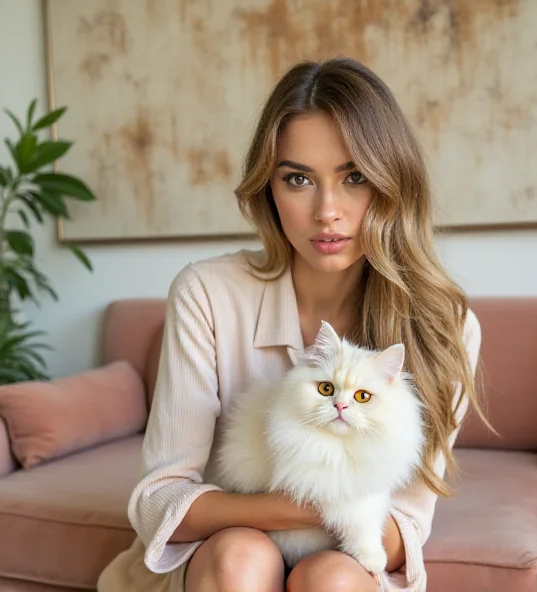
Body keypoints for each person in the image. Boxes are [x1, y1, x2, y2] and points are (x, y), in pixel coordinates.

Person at [97, 56, 483, 592]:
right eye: (298, 179)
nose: (328, 210)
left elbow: (406, 527)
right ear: (269, 190)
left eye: (354, 178)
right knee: (240, 555)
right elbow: (159, 501)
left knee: (331, 579)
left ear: (393, 183)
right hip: (217, 559)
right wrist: (311, 506)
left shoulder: (446, 326)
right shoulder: (206, 293)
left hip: (346, 564)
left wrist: (332, 522)